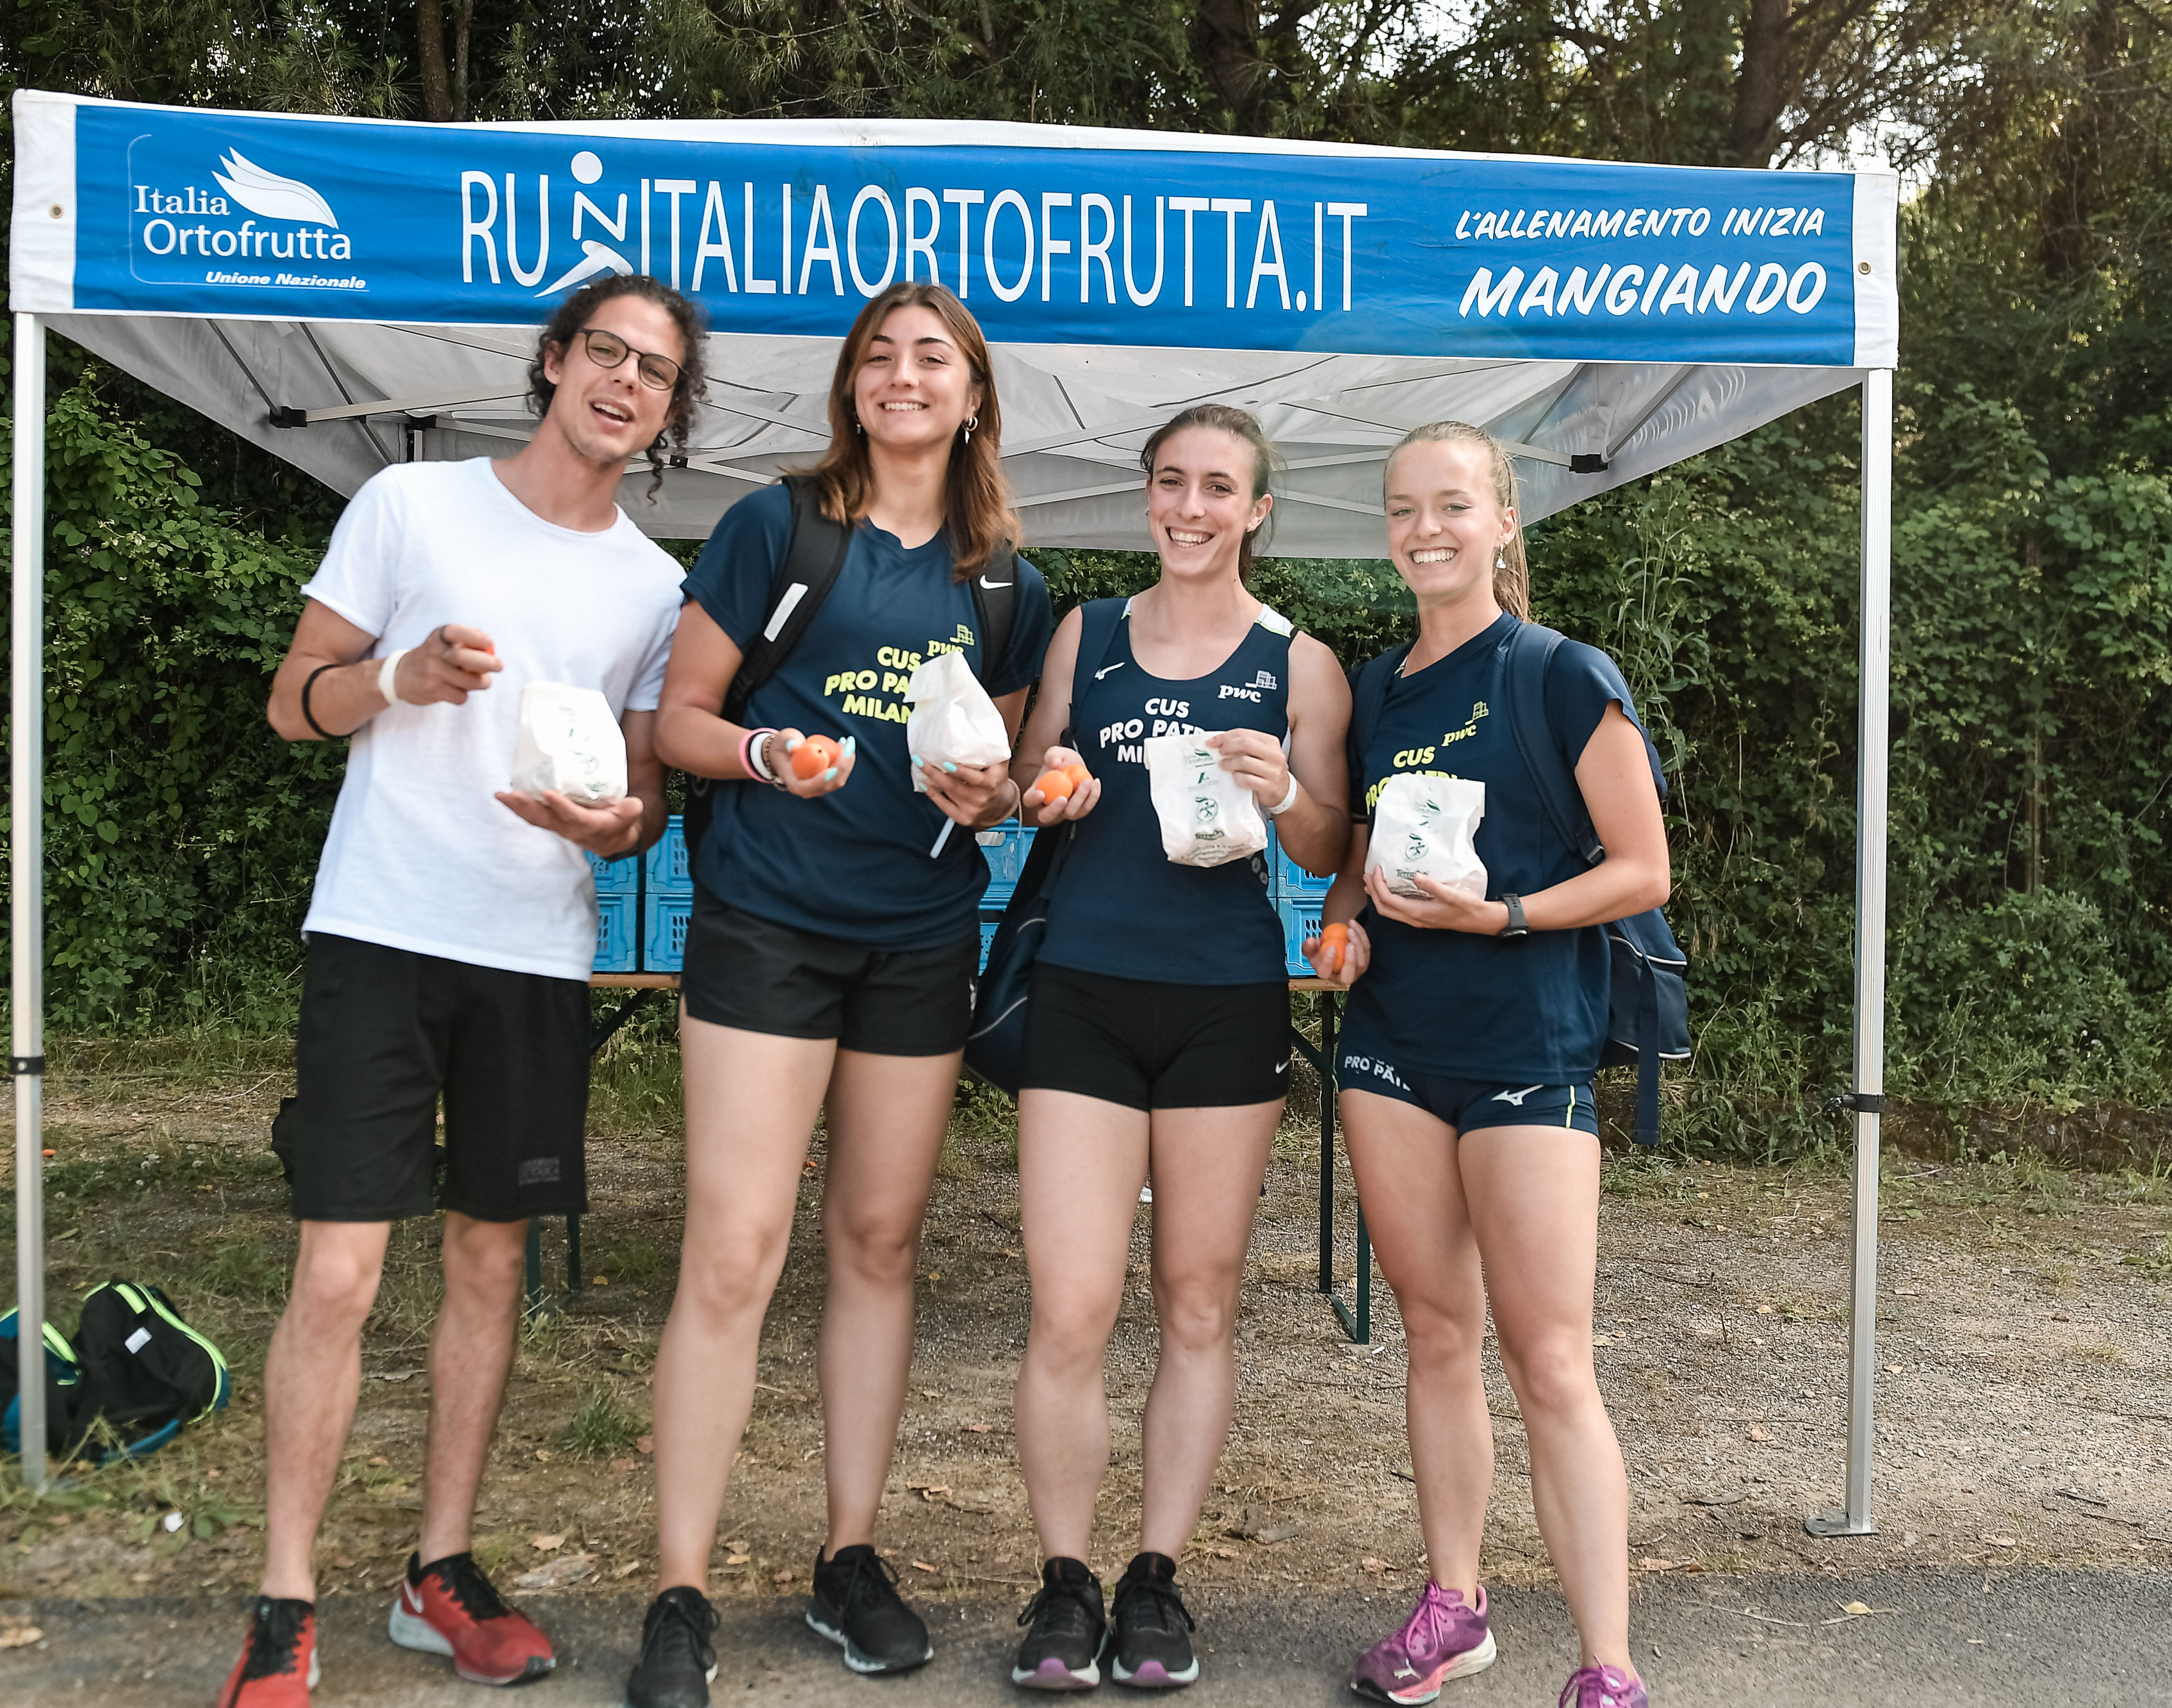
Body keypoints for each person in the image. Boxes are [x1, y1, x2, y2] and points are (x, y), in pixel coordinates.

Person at [216, 274, 707, 1708]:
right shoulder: (410, 506)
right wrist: (398, 679)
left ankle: (439, 1571)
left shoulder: (652, 586)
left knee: (491, 1266)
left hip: (534, 951)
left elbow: (641, 803)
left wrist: (612, 827)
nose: (624, 383)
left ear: (670, 414)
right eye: (606, 352)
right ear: (553, 362)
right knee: (339, 1271)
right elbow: (292, 699)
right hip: (380, 928)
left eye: (656, 373)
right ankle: (284, 1600)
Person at [625, 281, 1052, 1708]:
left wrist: (991, 793)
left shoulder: (1005, 582)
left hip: (918, 935)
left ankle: (848, 1554)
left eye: (931, 357)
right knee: (734, 1249)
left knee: (877, 1243)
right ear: (851, 387)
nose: (902, 375)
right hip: (768, 925)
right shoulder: (779, 527)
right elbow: (681, 719)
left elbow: (999, 777)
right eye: (880, 356)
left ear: (973, 397)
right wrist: (764, 756)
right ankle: (678, 1587)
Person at [1307, 421, 1670, 1708]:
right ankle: (1453, 1607)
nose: (1425, 530)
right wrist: (1343, 924)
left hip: (1528, 1051)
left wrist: (1502, 916)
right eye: (1403, 508)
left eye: (1452, 505)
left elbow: (1642, 868)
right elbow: (1359, 857)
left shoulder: (1561, 673)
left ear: (1503, 521)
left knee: (1549, 1357)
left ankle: (1605, 1664)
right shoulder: (1376, 690)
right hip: (1392, 1049)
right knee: (1432, 1331)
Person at [1000, 405, 1351, 1692]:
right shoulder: (1085, 633)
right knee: (1069, 1306)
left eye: (1216, 488)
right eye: (1169, 482)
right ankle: (1063, 1580)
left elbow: (1330, 845)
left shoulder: (1298, 663)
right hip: (1082, 993)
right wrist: (1053, 789)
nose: (1189, 508)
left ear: (1257, 510)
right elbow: (1023, 784)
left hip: (1222, 1001)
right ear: (1146, 495)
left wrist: (1284, 790)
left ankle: (1154, 1576)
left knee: (1197, 1302)